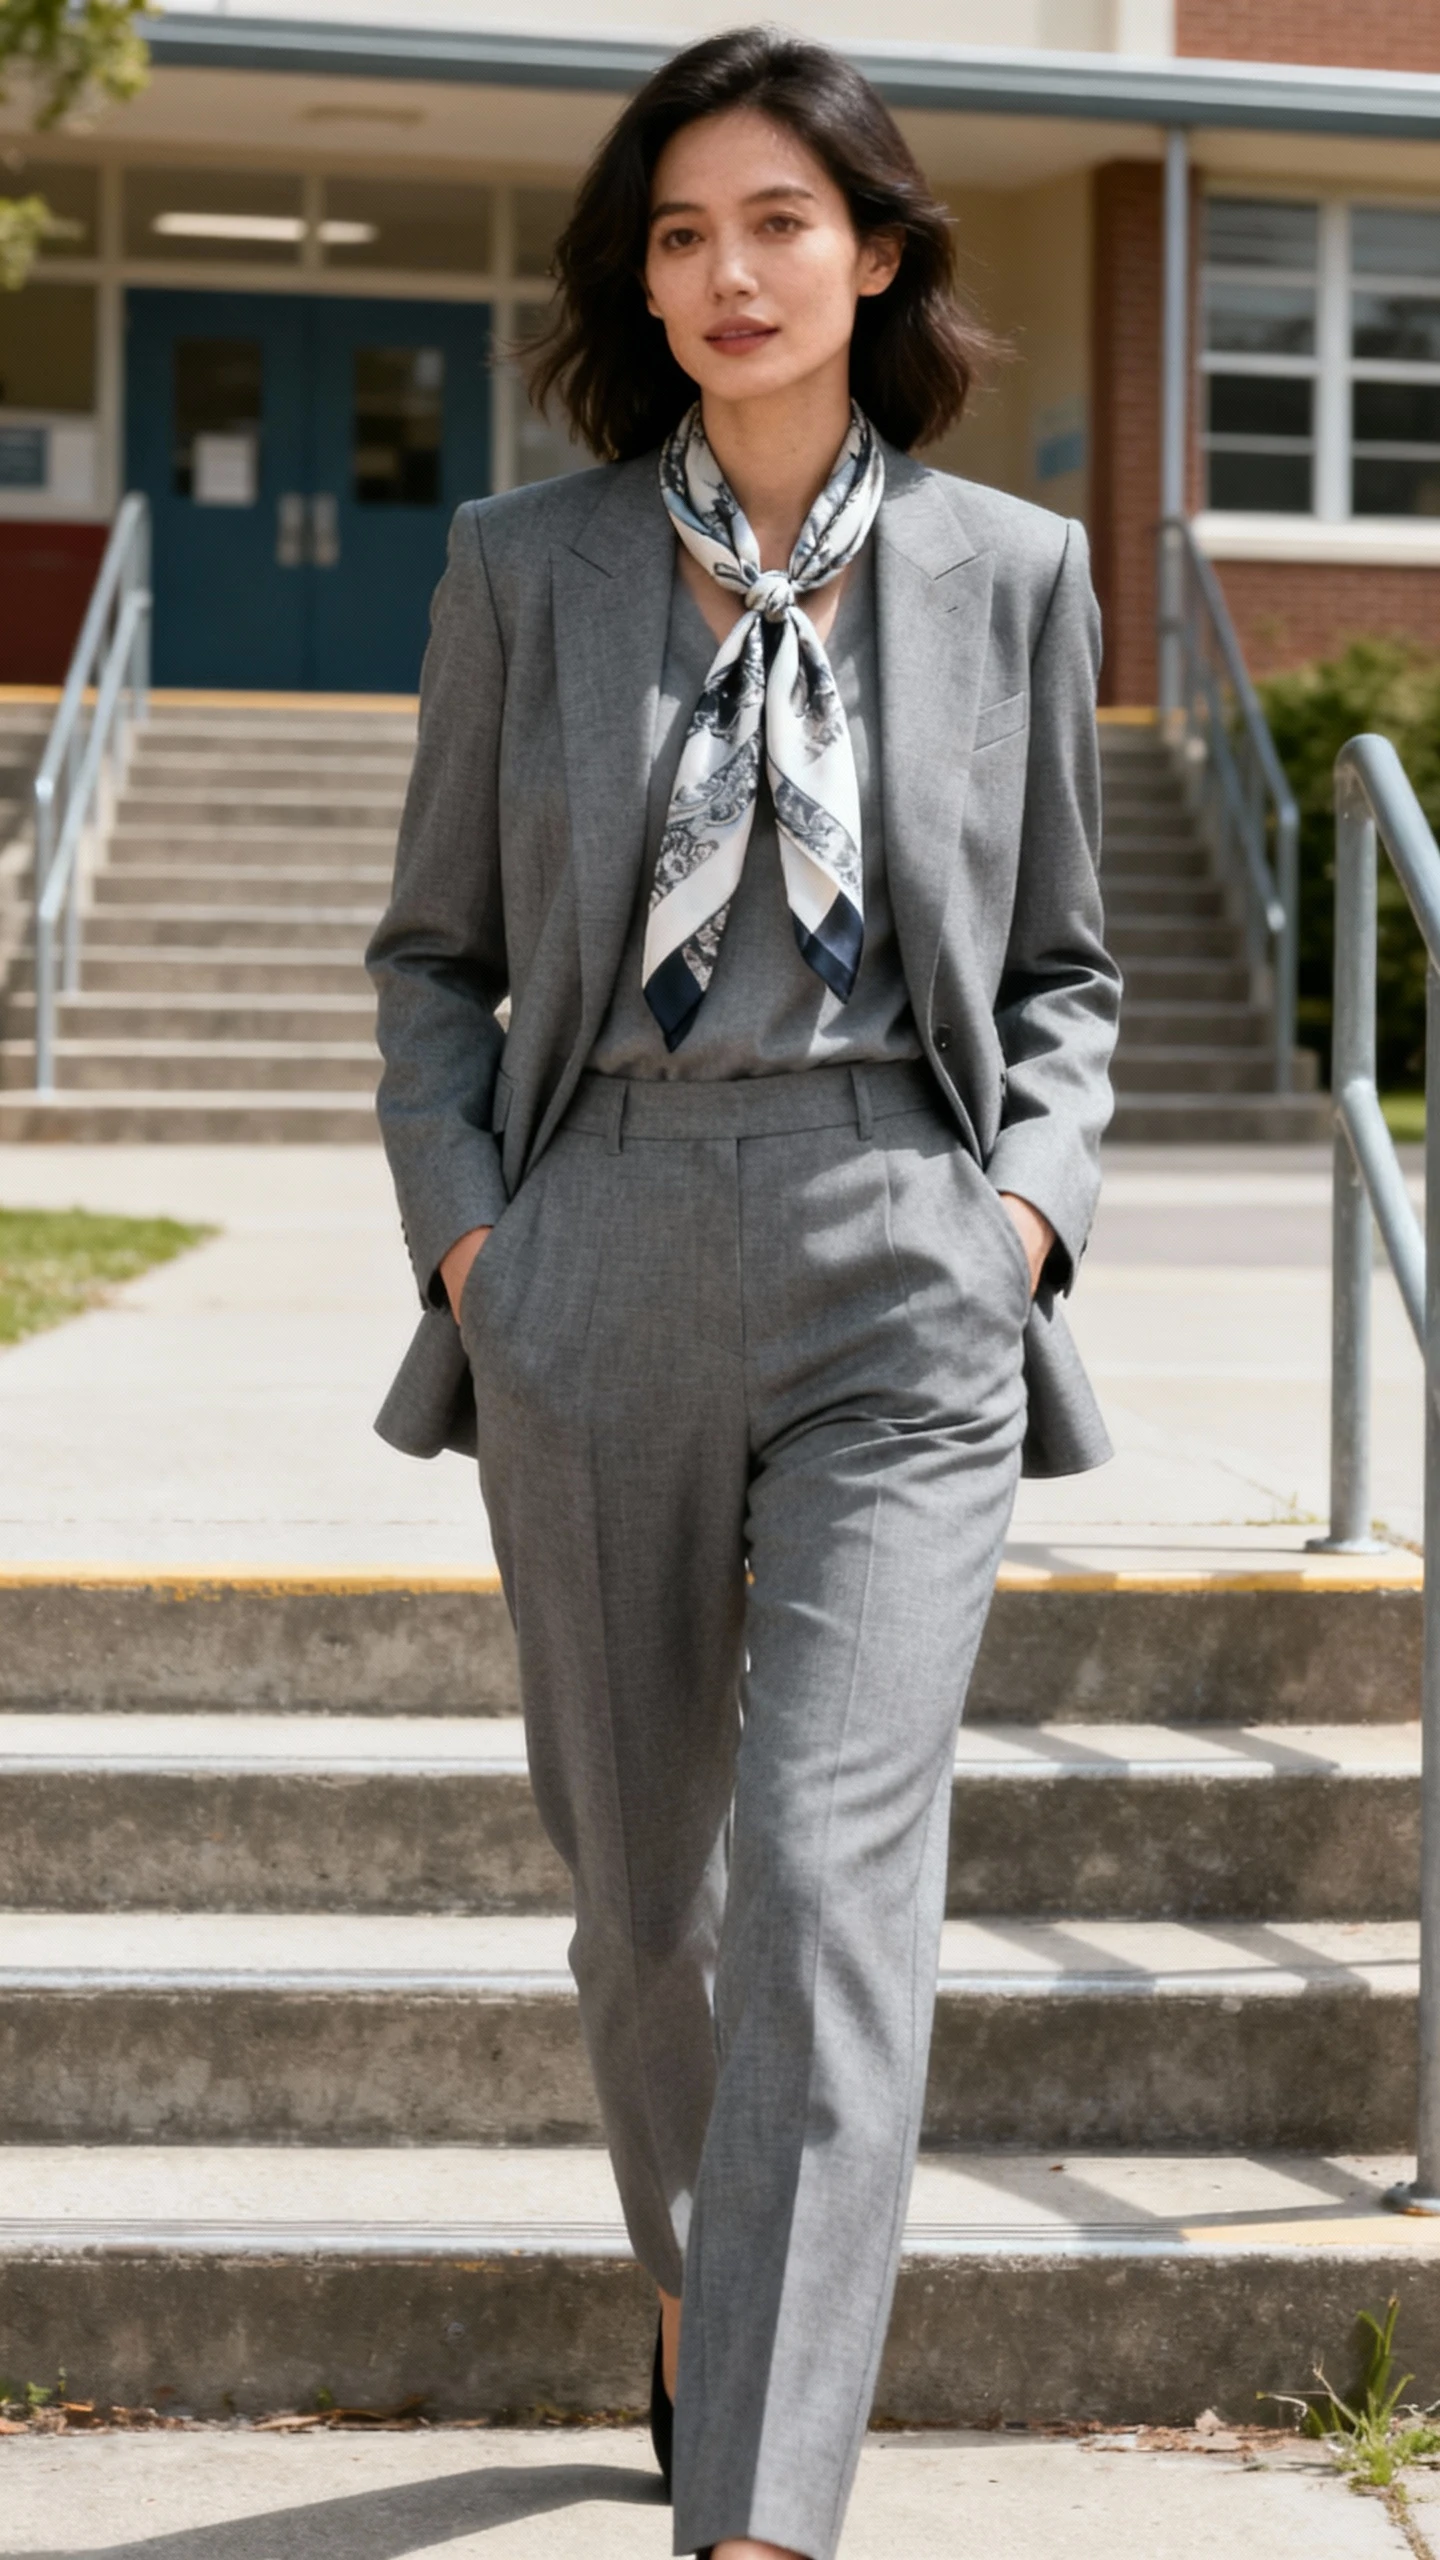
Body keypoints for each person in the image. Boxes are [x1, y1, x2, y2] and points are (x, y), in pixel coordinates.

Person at [367, 26, 1121, 2560]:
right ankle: (703, 2280)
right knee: (643, 1893)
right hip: (593, 1235)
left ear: (876, 252)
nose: (729, 272)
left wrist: (1021, 1220)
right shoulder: (524, 565)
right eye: (680, 232)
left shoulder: (1012, 574)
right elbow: (433, 954)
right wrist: (478, 1239)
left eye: (779, 221)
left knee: (826, 1869)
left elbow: (1064, 972)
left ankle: (762, 2511)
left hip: (903, 1249)